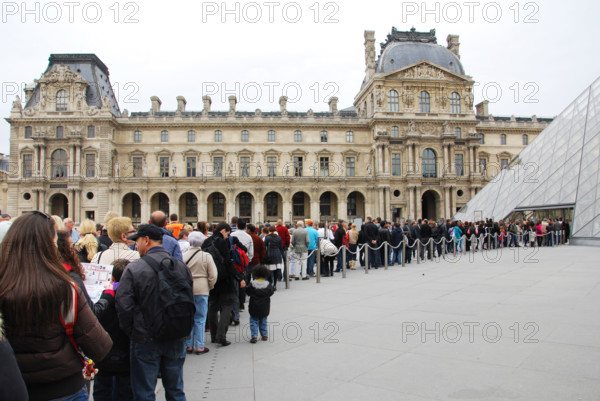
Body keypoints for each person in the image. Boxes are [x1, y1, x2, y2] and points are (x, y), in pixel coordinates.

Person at [0, 211, 112, 401]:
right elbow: (100, 346)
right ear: (50, 247)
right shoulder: (65, 288)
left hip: (11, 384)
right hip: (63, 387)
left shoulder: (4, 285)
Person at [116, 224, 193, 401]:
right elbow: (190, 298)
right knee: (175, 389)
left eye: (138, 241)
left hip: (145, 337)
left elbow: (124, 306)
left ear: (146, 240)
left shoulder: (134, 268)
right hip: (176, 334)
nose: (136, 245)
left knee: (144, 391)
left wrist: (132, 331)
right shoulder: (180, 266)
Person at [92, 259, 133, 401]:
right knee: (126, 390)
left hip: (103, 351)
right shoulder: (133, 295)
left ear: (112, 277)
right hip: (126, 351)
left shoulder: (103, 297)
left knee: (102, 389)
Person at [202, 223, 245, 346]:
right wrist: (239, 277)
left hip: (211, 279)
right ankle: (221, 336)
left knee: (213, 306)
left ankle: (214, 335)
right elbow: (228, 261)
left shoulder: (206, 242)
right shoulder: (222, 242)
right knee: (227, 305)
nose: (228, 236)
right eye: (228, 233)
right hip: (224, 278)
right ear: (223, 231)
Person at [183, 232, 217, 355]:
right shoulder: (206, 256)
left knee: (189, 318)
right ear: (202, 243)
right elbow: (213, 274)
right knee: (201, 318)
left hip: (187, 289)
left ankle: (188, 345)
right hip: (202, 287)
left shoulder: (183, 256)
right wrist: (209, 285)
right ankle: (200, 346)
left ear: (190, 242)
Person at [57, 230, 94, 309]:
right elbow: (91, 309)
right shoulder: (71, 277)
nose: (74, 251)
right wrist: (108, 294)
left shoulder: (45, 272)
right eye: (71, 247)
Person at [245, 265, 274, 343]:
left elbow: (248, 291)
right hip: (265, 307)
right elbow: (271, 292)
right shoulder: (268, 284)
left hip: (254, 307)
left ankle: (254, 336)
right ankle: (264, 334)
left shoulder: (252, 284)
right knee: (263, 320)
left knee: (253, 321)